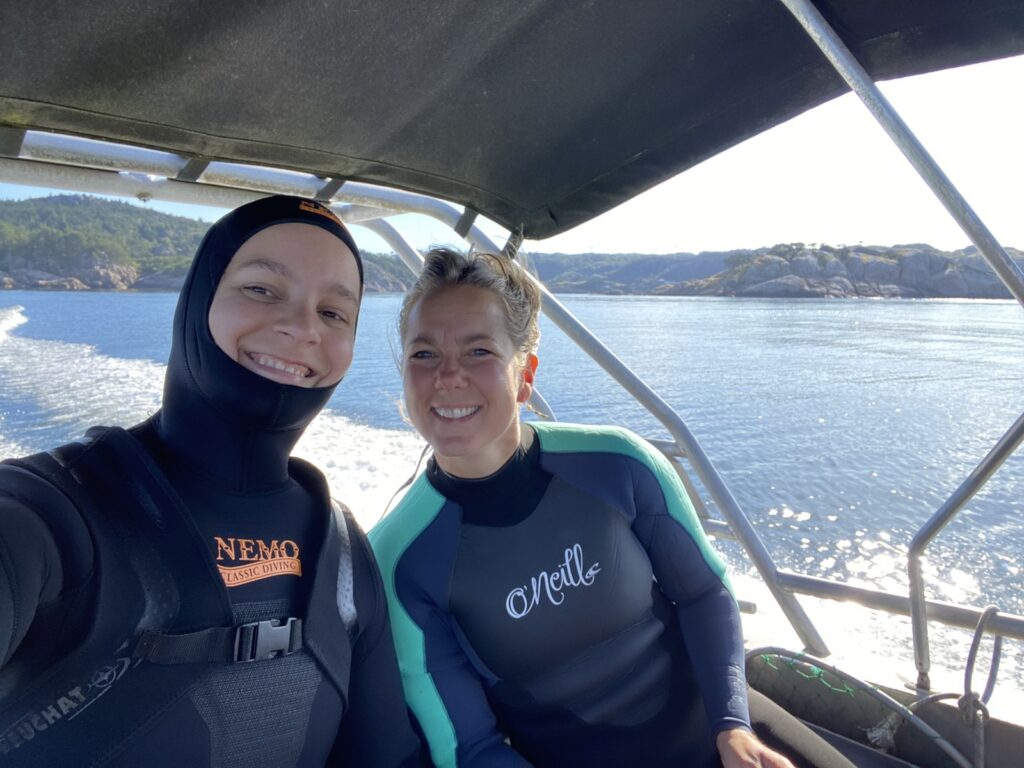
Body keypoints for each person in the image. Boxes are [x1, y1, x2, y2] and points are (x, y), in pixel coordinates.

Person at [369, 247, 855, 768]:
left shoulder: (617, 463)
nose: (447, 377)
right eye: (424, 355)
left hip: (720, 726)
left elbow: (703, 593)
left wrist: (733, 727)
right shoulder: (400, 556)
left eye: (478, 352)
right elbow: (471, 748)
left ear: (524, 374)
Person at [0, 195, 420, 767]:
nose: (301, 328)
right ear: (197, 301)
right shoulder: (51, 513)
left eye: (333, 313)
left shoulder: (343, 550)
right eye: (262, 289)